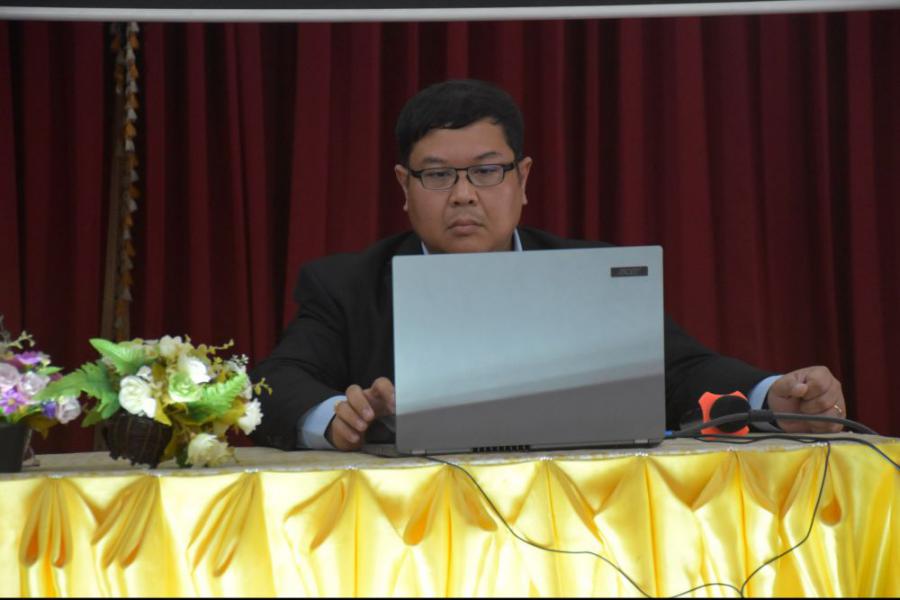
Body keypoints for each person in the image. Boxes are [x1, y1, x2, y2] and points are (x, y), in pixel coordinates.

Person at [250, 79, 846, 452]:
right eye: (438, 175)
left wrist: (772, 396)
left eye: (487, 171)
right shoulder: (345, 284)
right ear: (404, 187)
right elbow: (278, 381)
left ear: (523, 178)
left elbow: (682, 369)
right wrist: (337, 418)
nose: (463, 195)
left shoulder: (590, 274)